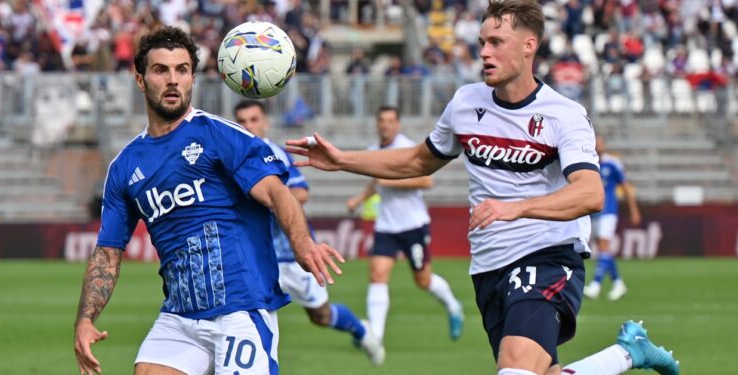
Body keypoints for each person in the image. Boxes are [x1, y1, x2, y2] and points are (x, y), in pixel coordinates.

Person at [287, 1, 679, 374]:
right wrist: (343, 160)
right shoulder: (465, 103)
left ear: (529, 46)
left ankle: (628, 352)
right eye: (481, 44)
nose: (485, 53)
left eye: (496, 43)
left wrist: (516, 207)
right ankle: (628, 353)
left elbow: (590, 193)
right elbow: (417, 161)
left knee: (514, 367)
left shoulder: (565, 115)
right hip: (489, 265)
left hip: (547, 256)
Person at [73, 26, 343, 375]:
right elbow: (108, 253)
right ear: (140, 80)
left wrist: (303, 243)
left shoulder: (220, 136)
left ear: (192, 78)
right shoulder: (125, 166)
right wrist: (85, 318)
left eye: (182, 70)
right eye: (161, 70)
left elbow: (278, 193)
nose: (173, 80)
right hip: (180, 316)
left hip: (240, 310)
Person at [234, 100, 385, 365]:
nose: (248, 126)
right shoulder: (231, 156)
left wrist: (268, 199)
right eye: (242, 121)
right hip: (255, 256)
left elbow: (301, 192)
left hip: (291, 255)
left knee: (320, 316)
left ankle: (361, 330)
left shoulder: (276, 155)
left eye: (254, 119)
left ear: (265, 122)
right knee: (246, 317)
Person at [345, 106, 464, 361]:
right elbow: (376, 181)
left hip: (413, 225)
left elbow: (426, 181)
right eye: (382, 120)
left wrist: (391, 180)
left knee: (423, 280)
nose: (385, 125)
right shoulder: (373, 152)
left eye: (390, 121)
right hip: (386, 225)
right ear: (377, 124)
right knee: (377, 274)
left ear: (398, 124)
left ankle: (453, 306)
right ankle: (375, 338)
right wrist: (359, 199)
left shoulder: (408, 148)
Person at [584, 135, 641, 301]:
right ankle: (618, 283)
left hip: (608, 211)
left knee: (603, 245)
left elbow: (626, 187)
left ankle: (595, 285)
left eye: (600, 142)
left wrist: (634, 209)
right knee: (604, 250)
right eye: (594, 142)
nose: (597, 145)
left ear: (604, 145)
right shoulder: (588, 163)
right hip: (593, 212)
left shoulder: (613, 163)